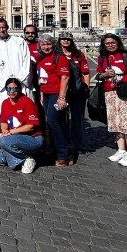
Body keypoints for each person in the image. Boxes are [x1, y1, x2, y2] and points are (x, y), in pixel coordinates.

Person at [96, 33, 127, 167]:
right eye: (107, 43)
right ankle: (121, 150)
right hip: (110, 94)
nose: (110, 45)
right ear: (104, 45)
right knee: (115, 123)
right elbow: (99, 75)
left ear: (118, 43)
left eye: (113, 42)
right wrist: (104, 74)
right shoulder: (102, 57)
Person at [0, 78, 43, 174]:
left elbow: (31, 126)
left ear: (19, 89)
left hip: (32, 138)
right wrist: (4, 130)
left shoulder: (27, 101)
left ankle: (27, 158)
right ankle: (23, 159)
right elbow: (3, 122)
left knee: (4, 141)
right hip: (12, 138)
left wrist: (10, 132)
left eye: (15, 88)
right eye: (9, 88)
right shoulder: (5, 103)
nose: (12, 91)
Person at [37, 34, 72, 167]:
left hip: (56, 95)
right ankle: (58, 151)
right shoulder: (42, 58)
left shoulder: (60, 58)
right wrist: (41, 94)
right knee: (59, 123)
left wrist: (61, 98)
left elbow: (65, 78)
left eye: (48, 44)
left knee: (52, 122)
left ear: (53, 45)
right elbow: (42, 79)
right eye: (43, 44)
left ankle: (63, 154)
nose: (46, 47)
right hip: (46, 95)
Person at [58, 31, 90, 154]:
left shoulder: (78, 54)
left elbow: (85, 73)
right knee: (62, 119)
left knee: (78, 119)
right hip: (61, 92)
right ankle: (65, 143)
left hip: (77, 92)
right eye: (63, 39)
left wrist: (86, 89)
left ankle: (80, 144)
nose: (66, 41)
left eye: (68, 39)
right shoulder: (56, 54)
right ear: (59, 40)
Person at [0, 18, 31, 113]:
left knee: (24, 112)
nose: (1, 30)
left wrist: (17, 81)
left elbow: (26, 62)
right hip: (4, 87)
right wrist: (5, 83)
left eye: (3, 27)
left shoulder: (19, 42)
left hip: (20, 84)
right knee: (5, 113)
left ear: (7, 27)